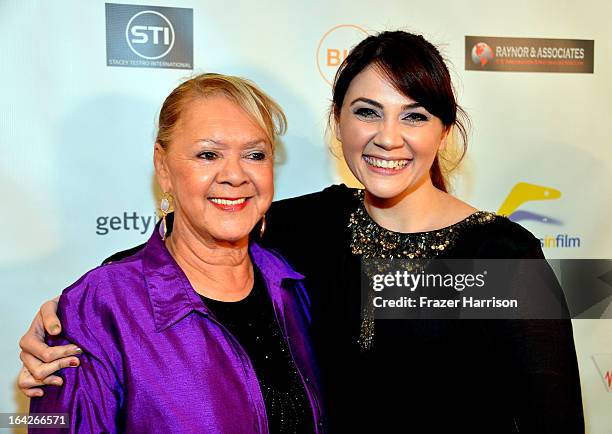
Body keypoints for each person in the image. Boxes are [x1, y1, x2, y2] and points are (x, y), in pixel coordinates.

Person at [19, 32, 583, 433]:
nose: (389, 137)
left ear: (444, 130)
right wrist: (73, 312)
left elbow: (552, 418)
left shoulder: (500, 256)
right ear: (337, 122)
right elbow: (185, 246)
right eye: (367, 111)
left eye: (414, 115)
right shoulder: (305, 228)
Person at [25, 73, 323, 433]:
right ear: (163, 168)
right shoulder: (102, 308)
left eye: (255, 155)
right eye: (208, 154)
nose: (234, 175)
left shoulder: (292, 286)